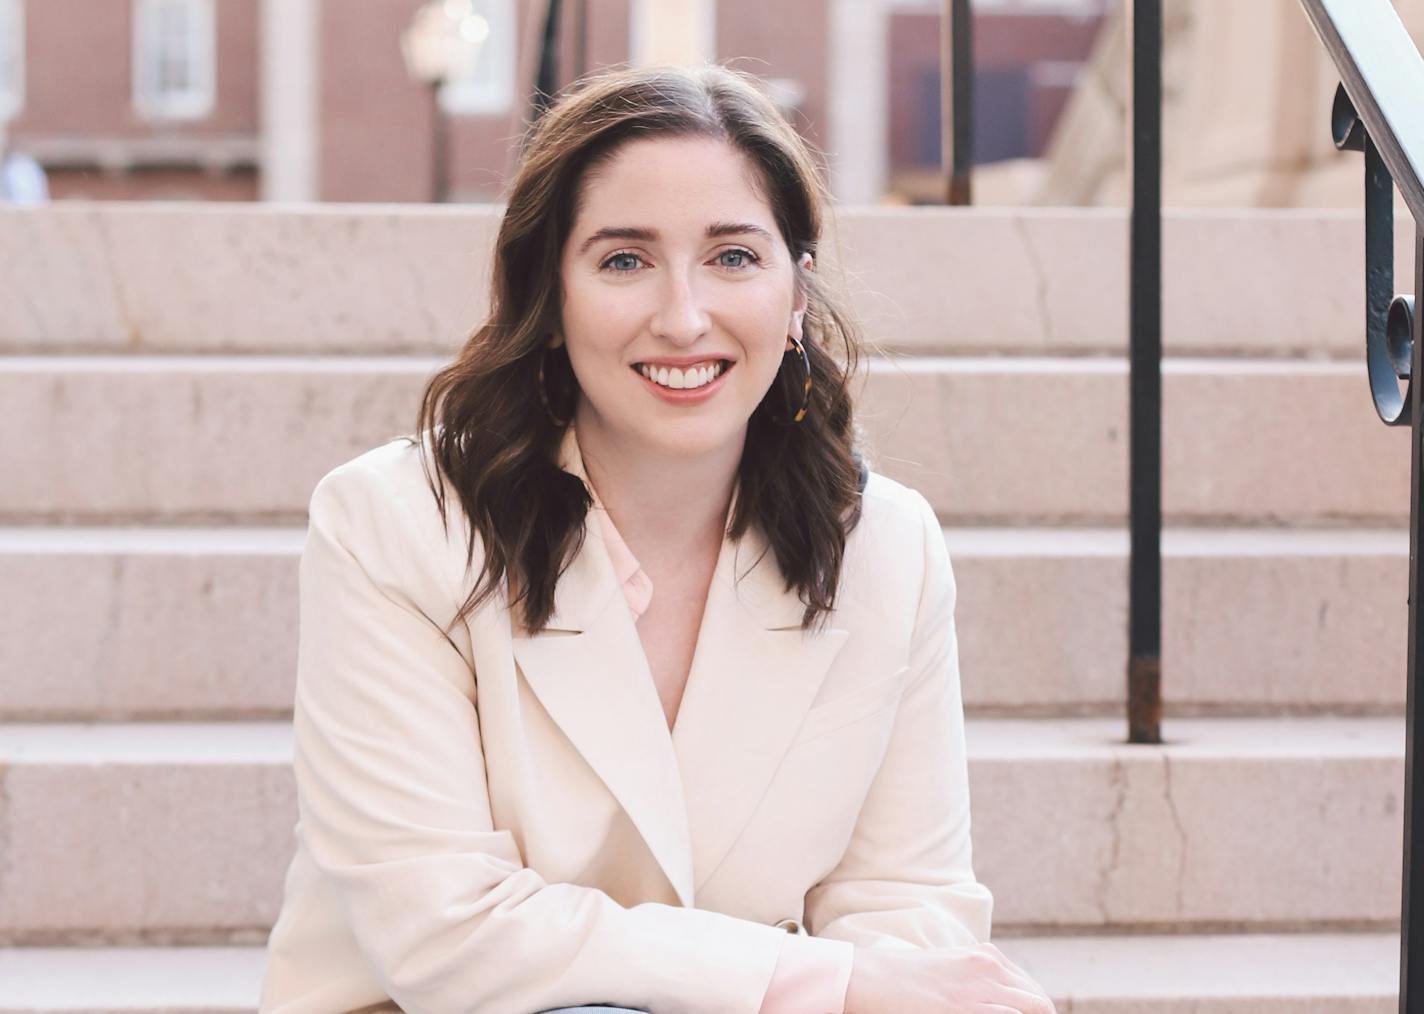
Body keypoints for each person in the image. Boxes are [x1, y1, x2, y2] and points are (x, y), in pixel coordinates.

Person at [258, 63, 1056, 1014]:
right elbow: (450, 934)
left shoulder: (887, 546)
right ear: (549, 298)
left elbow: (908, 912)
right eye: (625, 260)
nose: (684, 319)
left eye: (733, 257)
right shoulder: (395, 524)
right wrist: (816, 981)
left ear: (797, 292)